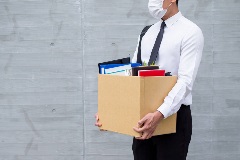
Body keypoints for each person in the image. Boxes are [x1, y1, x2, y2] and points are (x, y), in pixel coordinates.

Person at [95, 0, 204, 159]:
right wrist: (110, 111)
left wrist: (160, 114)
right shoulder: (147, 33)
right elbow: (132, 76)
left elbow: (186, 82)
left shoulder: (191, 32)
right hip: (142, 116)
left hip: (173, 117)